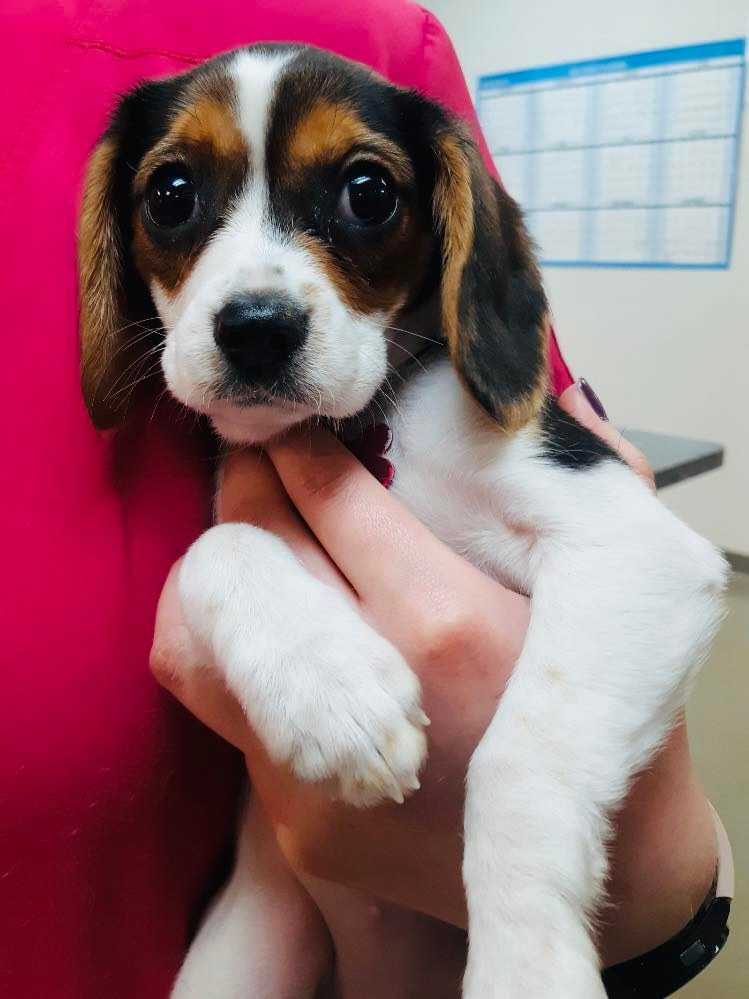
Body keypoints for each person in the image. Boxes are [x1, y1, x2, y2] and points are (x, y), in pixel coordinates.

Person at [0, 1, 728, 997]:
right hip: (282, 894)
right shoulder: (243, 466)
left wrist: (525, 869)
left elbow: (665, 570)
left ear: (444, 226)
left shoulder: (454, 419)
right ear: (121, 242)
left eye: (361, 193)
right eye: (175, 197)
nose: (255, 296)